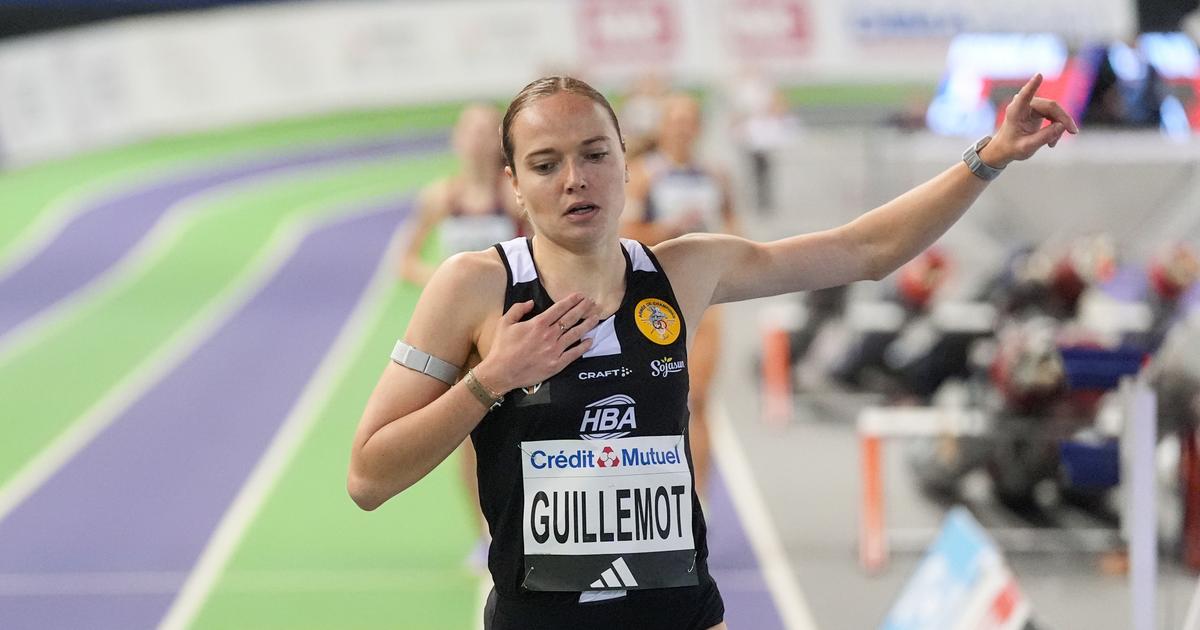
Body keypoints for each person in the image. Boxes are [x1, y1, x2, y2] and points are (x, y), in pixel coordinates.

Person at [348, 73, 1076, 629]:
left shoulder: (681, 272)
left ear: (629, 161)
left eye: (595, 154)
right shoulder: (474, 287)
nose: (576, 179)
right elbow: (368, 477)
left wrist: (989, 158)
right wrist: (491, 382)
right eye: (545, 164)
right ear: (515, 183)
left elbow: (866, 250)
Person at [396, 102, 523, 565]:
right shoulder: (439, 198)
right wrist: (443, 280)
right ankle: (484, 535)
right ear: (456, 140)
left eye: (486, 131)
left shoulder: (511, 199)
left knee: (519, 430)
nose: (477, 140)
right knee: (467, 438)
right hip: (455, 336)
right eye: (469, 131)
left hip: (507, 328)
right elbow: (404, 260)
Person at [622, 93, 739, 496]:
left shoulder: (715, 176)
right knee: (652, 404)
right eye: (675, 120)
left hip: (705, 300)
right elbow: (626, 236)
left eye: (690, 120)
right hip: (653, 302)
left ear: (699, 128)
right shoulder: (643, 175)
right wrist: (669, 230)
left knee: (699, 400)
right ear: (663, 126)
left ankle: (699, 503)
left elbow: (734, 229)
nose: (683, 127)